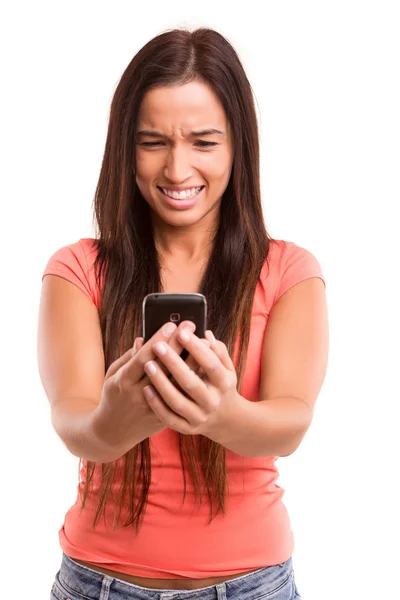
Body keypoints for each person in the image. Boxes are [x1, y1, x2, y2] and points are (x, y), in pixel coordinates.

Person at [38, 26, 329, 600]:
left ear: (237, 146)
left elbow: (292, 421)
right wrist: (115, 418)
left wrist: (220, 414)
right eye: (152, 142)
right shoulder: (76, 269)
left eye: (203, 141)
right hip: (99, 583)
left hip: (253, 586)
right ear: (125, 148)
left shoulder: (289, 271)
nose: (176, 170)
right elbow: (73, 423)